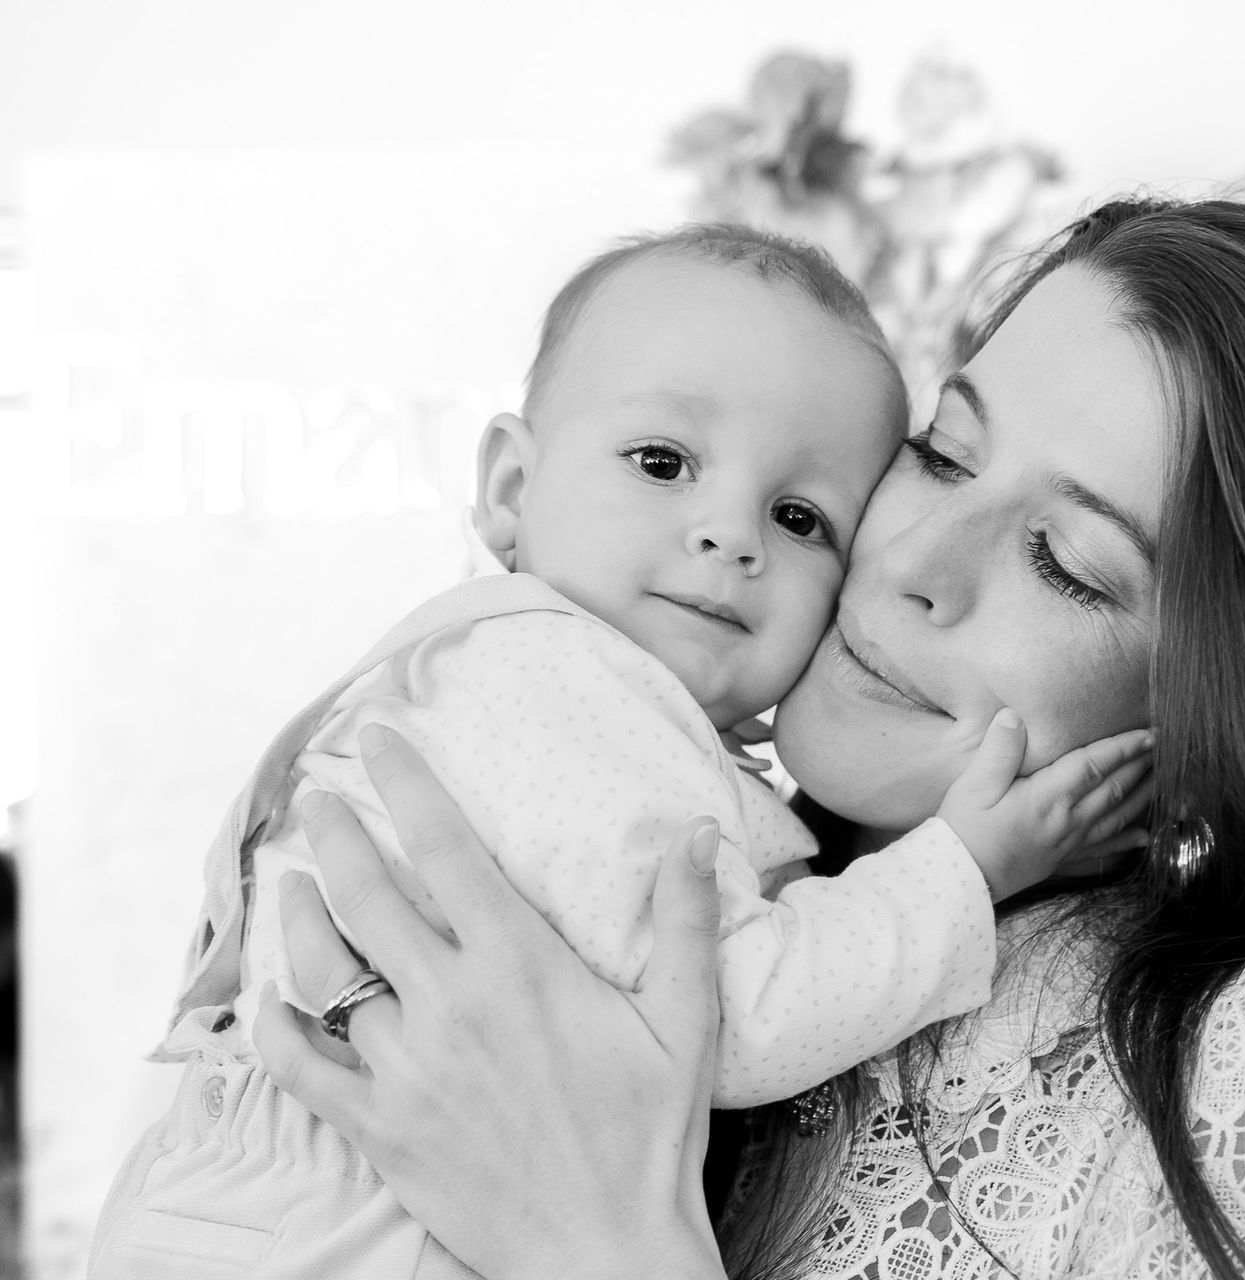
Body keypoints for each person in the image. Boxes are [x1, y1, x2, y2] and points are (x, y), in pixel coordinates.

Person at [247, 196, 1245, 1280]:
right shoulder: (718, 867)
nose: (910, 560)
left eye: (1067, 563)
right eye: (943, 453)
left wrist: (596, 1247)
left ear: (1216, 732)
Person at [90, 225, 1152, 1278]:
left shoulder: (489, 675)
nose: (731, 534)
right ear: (511, 487)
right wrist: (961, 871)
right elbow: (741, 1016)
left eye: (797, 516)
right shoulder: (570, 700)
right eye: (662, 463)